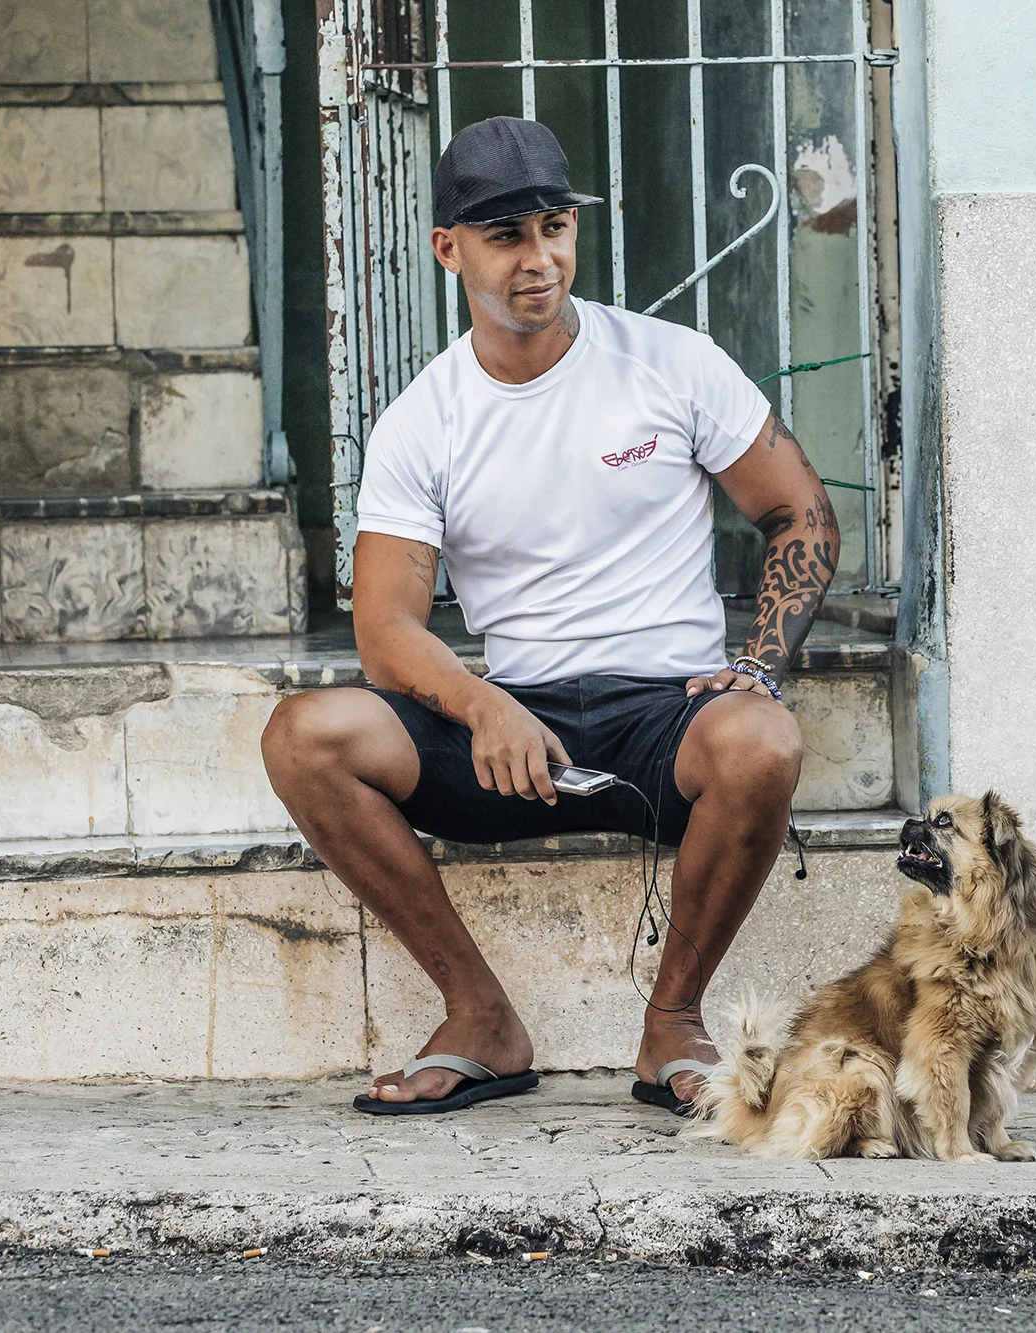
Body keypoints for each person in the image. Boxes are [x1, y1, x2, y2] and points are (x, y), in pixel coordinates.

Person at [261, 117, 837, 1116]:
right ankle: (479, 1016)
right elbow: (386, 628)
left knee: (761, 739)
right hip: (515, 733)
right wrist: (483, 708)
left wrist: (755, 664)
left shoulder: (668, 362)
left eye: (554, 227)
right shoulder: (425, 419)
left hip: (668, 719)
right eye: (506, 237)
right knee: (305, 735)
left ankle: (672, 1027)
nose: (540, 260)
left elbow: (801, 514)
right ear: (449, 250)